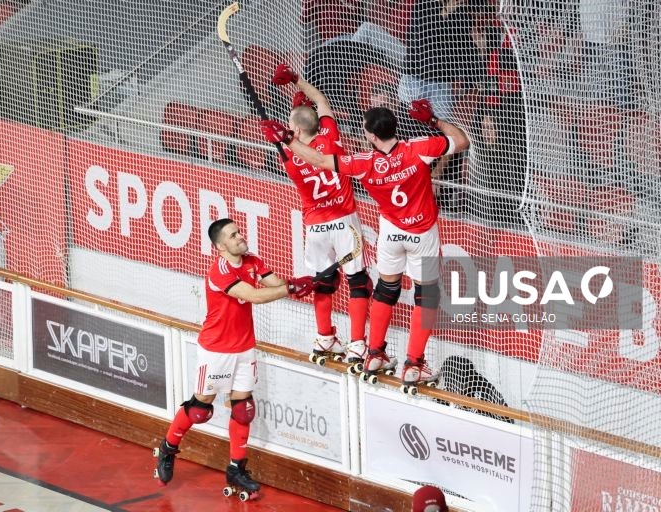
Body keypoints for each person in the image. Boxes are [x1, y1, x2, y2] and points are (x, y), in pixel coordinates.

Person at [259, 99, 470, 387]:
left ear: (371, 135)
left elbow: (319, 160)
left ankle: (374, 354)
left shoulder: (362, 162)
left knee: (386, 289)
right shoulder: (419, 148)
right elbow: (461, 140)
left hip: (391, 234)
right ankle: (414, 364)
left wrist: (286, 139)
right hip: (422, 234)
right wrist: (433, 121)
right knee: (426, 295)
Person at [154, 218, 315, 495]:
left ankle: (236, 469)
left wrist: (305, 284)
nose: (240, 236)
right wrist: (289, 288)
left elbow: (276, 284)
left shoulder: (252, 260)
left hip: (244, 348)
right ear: (220, 246)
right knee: (200, 409)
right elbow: (255, 296)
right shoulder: (219, 271)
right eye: (233, 235)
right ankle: (168, 448)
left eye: (239, 232)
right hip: (216, 350)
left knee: (243, 409)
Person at [270, 63, 372, 368]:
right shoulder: (331, 136)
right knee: (358, 282)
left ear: (297, 132)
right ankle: (357, 345)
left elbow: (288, 143)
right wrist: (297, 81)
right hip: (345, 222)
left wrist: (280, 139)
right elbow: (323, 102)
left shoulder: (289, 156)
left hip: (315, 227)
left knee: (322, 282)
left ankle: (324, 336)